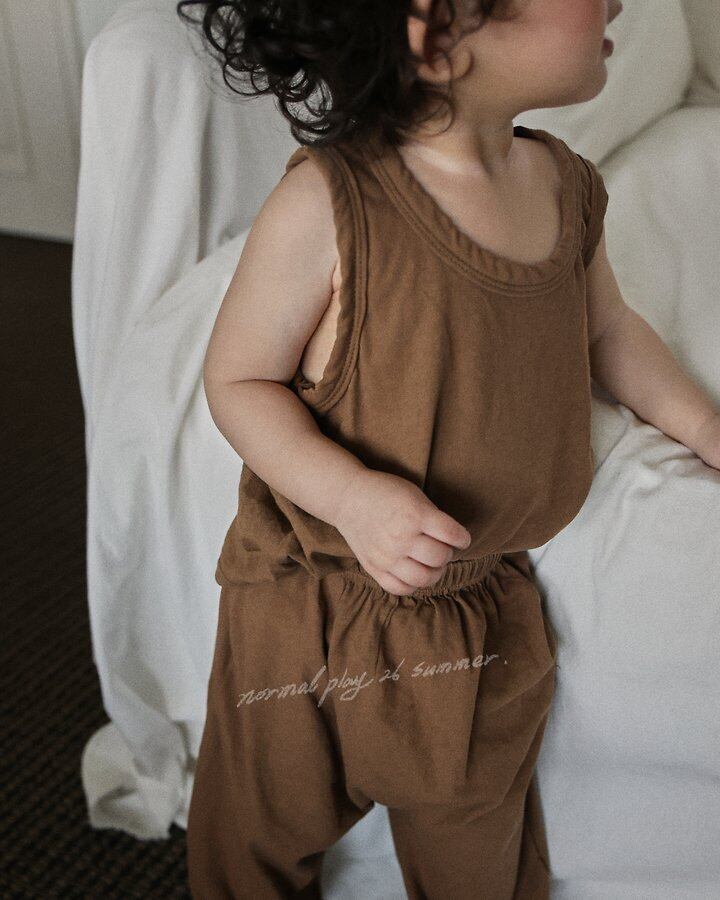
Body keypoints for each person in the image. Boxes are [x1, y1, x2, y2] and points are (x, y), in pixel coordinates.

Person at [176, 0, 720, 897]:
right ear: (437, 32)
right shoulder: (333, 202)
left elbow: (608, 331)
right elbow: (238, 380)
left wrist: (702, 425)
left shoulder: (564, 185)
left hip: (479, 606)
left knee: (478, 850)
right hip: (312, 604)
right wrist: (351, 497)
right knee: (258, 826)